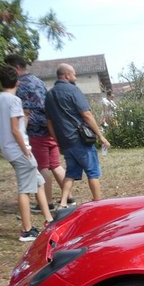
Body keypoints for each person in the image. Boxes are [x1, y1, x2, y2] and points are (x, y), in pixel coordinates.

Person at [0, 65, 53, 242]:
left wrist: (22, 121)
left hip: (9, 150)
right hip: (20, 150)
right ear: (17, 81)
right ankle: (26, 230)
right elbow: (16, 131)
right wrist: (26, 151)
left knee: (38, 181)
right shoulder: (14, 101)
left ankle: (49, 220)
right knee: (25, 189)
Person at [4, 54, 67, 211]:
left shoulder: (19, 86)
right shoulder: (38, 81)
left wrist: (20, 132)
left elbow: (24, 112)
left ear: (16, 68)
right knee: (56, 165)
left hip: (35, 131)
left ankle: (47, 202)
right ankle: (68, 197)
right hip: (50, 127)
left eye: (9, 68)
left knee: (43, 167)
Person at [44, 63, 109, 207]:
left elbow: (49, 123)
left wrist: (58, 141)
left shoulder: (49, 95)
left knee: (71, 173)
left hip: (65, 141)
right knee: (92, 172)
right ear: (67, 75)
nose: (76, 77)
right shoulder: (73, 90)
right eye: (74, 74)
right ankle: (98, 202)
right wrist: (100, 135)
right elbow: (86, 114)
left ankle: (63, 203)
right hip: (80, 140)